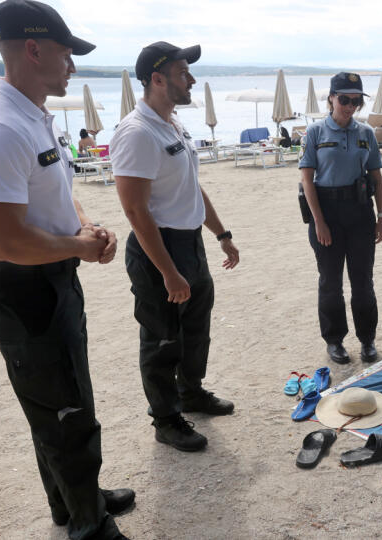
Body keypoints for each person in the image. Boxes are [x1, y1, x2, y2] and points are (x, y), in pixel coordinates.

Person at [0, 1, 133, 538]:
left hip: (52, 275)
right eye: (66, 53)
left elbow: (57, 194)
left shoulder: (32, 117)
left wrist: (86, 227)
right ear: (32, 50)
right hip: (25, 287)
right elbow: (3, 239)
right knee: (63, 413)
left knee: (64, 400)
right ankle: (89, 525)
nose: (72, 66)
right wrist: (77, 248)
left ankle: (72, 500)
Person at [111, 41, 239, 453]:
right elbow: (135, 210)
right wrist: (167, 271)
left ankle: (191, 392)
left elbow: (190, 187)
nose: (193, 80)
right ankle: (166, 419)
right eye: (185, 73)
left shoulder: (172, 124)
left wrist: (221, 234)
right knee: (162, 338)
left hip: (190, 242)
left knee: (195, 328)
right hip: (158, 249)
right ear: (157, 78)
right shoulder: (137, 132)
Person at [299, 72, 382, 365]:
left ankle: (367, 340)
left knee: (363, 281)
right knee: (330, 282)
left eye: (356, 101)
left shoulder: (366, 133)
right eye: (345, 99)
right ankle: (335, 341)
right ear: (331, 99)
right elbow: (307, 181)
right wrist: (319, 222)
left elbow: (376, 177)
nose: (350, 106)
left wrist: (381, 216)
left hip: (360, 212)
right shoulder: (315, 133)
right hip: (326, 214)